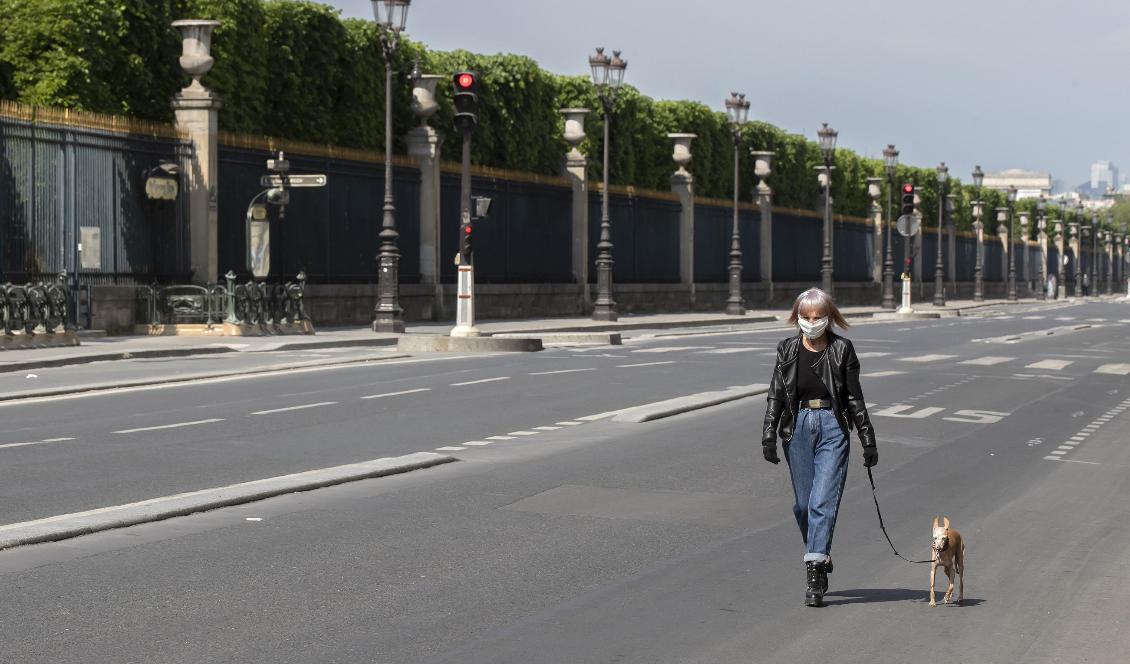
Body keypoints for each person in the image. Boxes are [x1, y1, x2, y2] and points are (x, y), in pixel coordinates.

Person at [761, 288, 878, 607]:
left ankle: (815, 570)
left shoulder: (843, 349)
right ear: (797, 317)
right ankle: (821, 552)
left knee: (821, 501)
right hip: (796, 426)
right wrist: (769, 432)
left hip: (831, 425)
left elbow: (854, 397)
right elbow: (775, 393)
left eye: (818, 317)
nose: (811, 323)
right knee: (803, 505)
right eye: (806, 317)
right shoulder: (786, 349)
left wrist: (867, 438)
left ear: (829, 318)